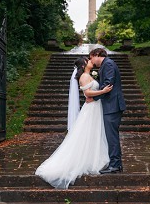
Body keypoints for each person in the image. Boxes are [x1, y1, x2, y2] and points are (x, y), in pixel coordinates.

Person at [35, 57, 113, 189]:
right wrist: (103, 91)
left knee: (94, 133)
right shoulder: (83, 76)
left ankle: (94, 157)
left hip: (96, 107)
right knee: (87, 133)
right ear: (84, 64)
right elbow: (87, 93)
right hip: (91, 108)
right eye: (88, 60)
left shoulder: (89, 75)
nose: (90, 61)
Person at [89, 48, 126, 174]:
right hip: (110, 105)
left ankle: (115, 165)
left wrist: (94, 97)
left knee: (112, 136)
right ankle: (117, 164)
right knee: (111, 136)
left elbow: (108, 85)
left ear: (97, 55)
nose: (91, 61)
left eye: (91, 57)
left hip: (112, 106)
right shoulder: (106, 65)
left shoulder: (108, 64)